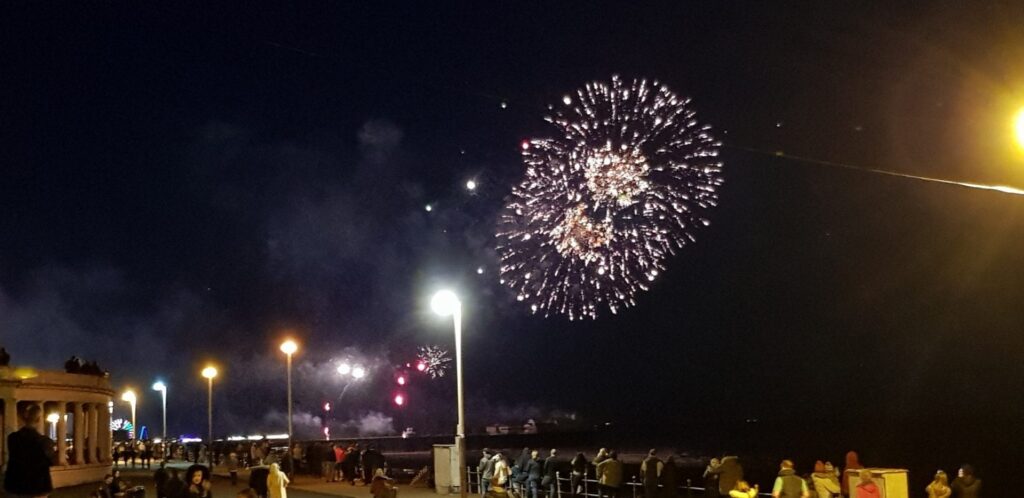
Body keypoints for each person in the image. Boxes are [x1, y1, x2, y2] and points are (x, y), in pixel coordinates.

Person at [3, 404, 56, 497]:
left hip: (16, 486)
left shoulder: (12, 438)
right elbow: (51, 461)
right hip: (38, 487)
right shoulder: (44, 442)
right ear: (39, 419)